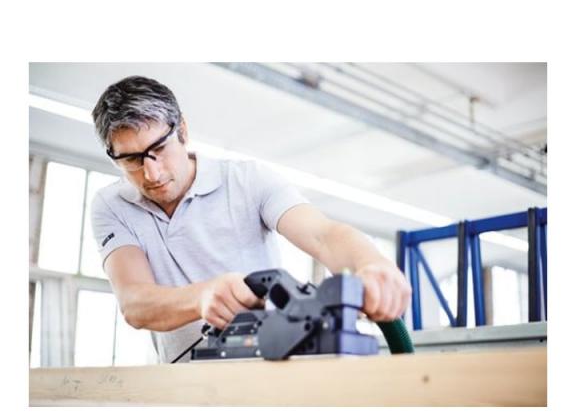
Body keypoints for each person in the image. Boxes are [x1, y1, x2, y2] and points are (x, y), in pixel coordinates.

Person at [91, 75, 411, 363]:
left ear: (183, 131)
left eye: (159, 148)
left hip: (267, 370)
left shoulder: (247, 181)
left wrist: (371, 264)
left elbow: (323, 235)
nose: (151, 173)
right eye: (131, 160)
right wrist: (201, 297)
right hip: (183, 384)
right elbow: (135, 302)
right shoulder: (111, 206)